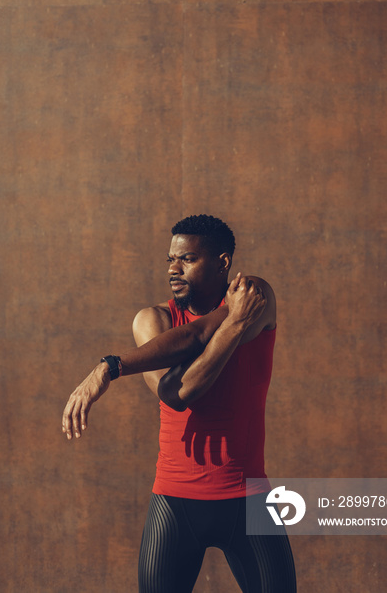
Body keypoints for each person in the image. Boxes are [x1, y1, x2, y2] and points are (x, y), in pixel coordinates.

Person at [62, 214, 297, 592]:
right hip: (174, 501)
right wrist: (111, 365)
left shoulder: (255, 296)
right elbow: (178, 393)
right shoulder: (152, 320)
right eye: (170, 259)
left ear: (223, 262)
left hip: (249, 498)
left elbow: (201, 333)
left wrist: (112, 366)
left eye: (187, 259)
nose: (174, 268)